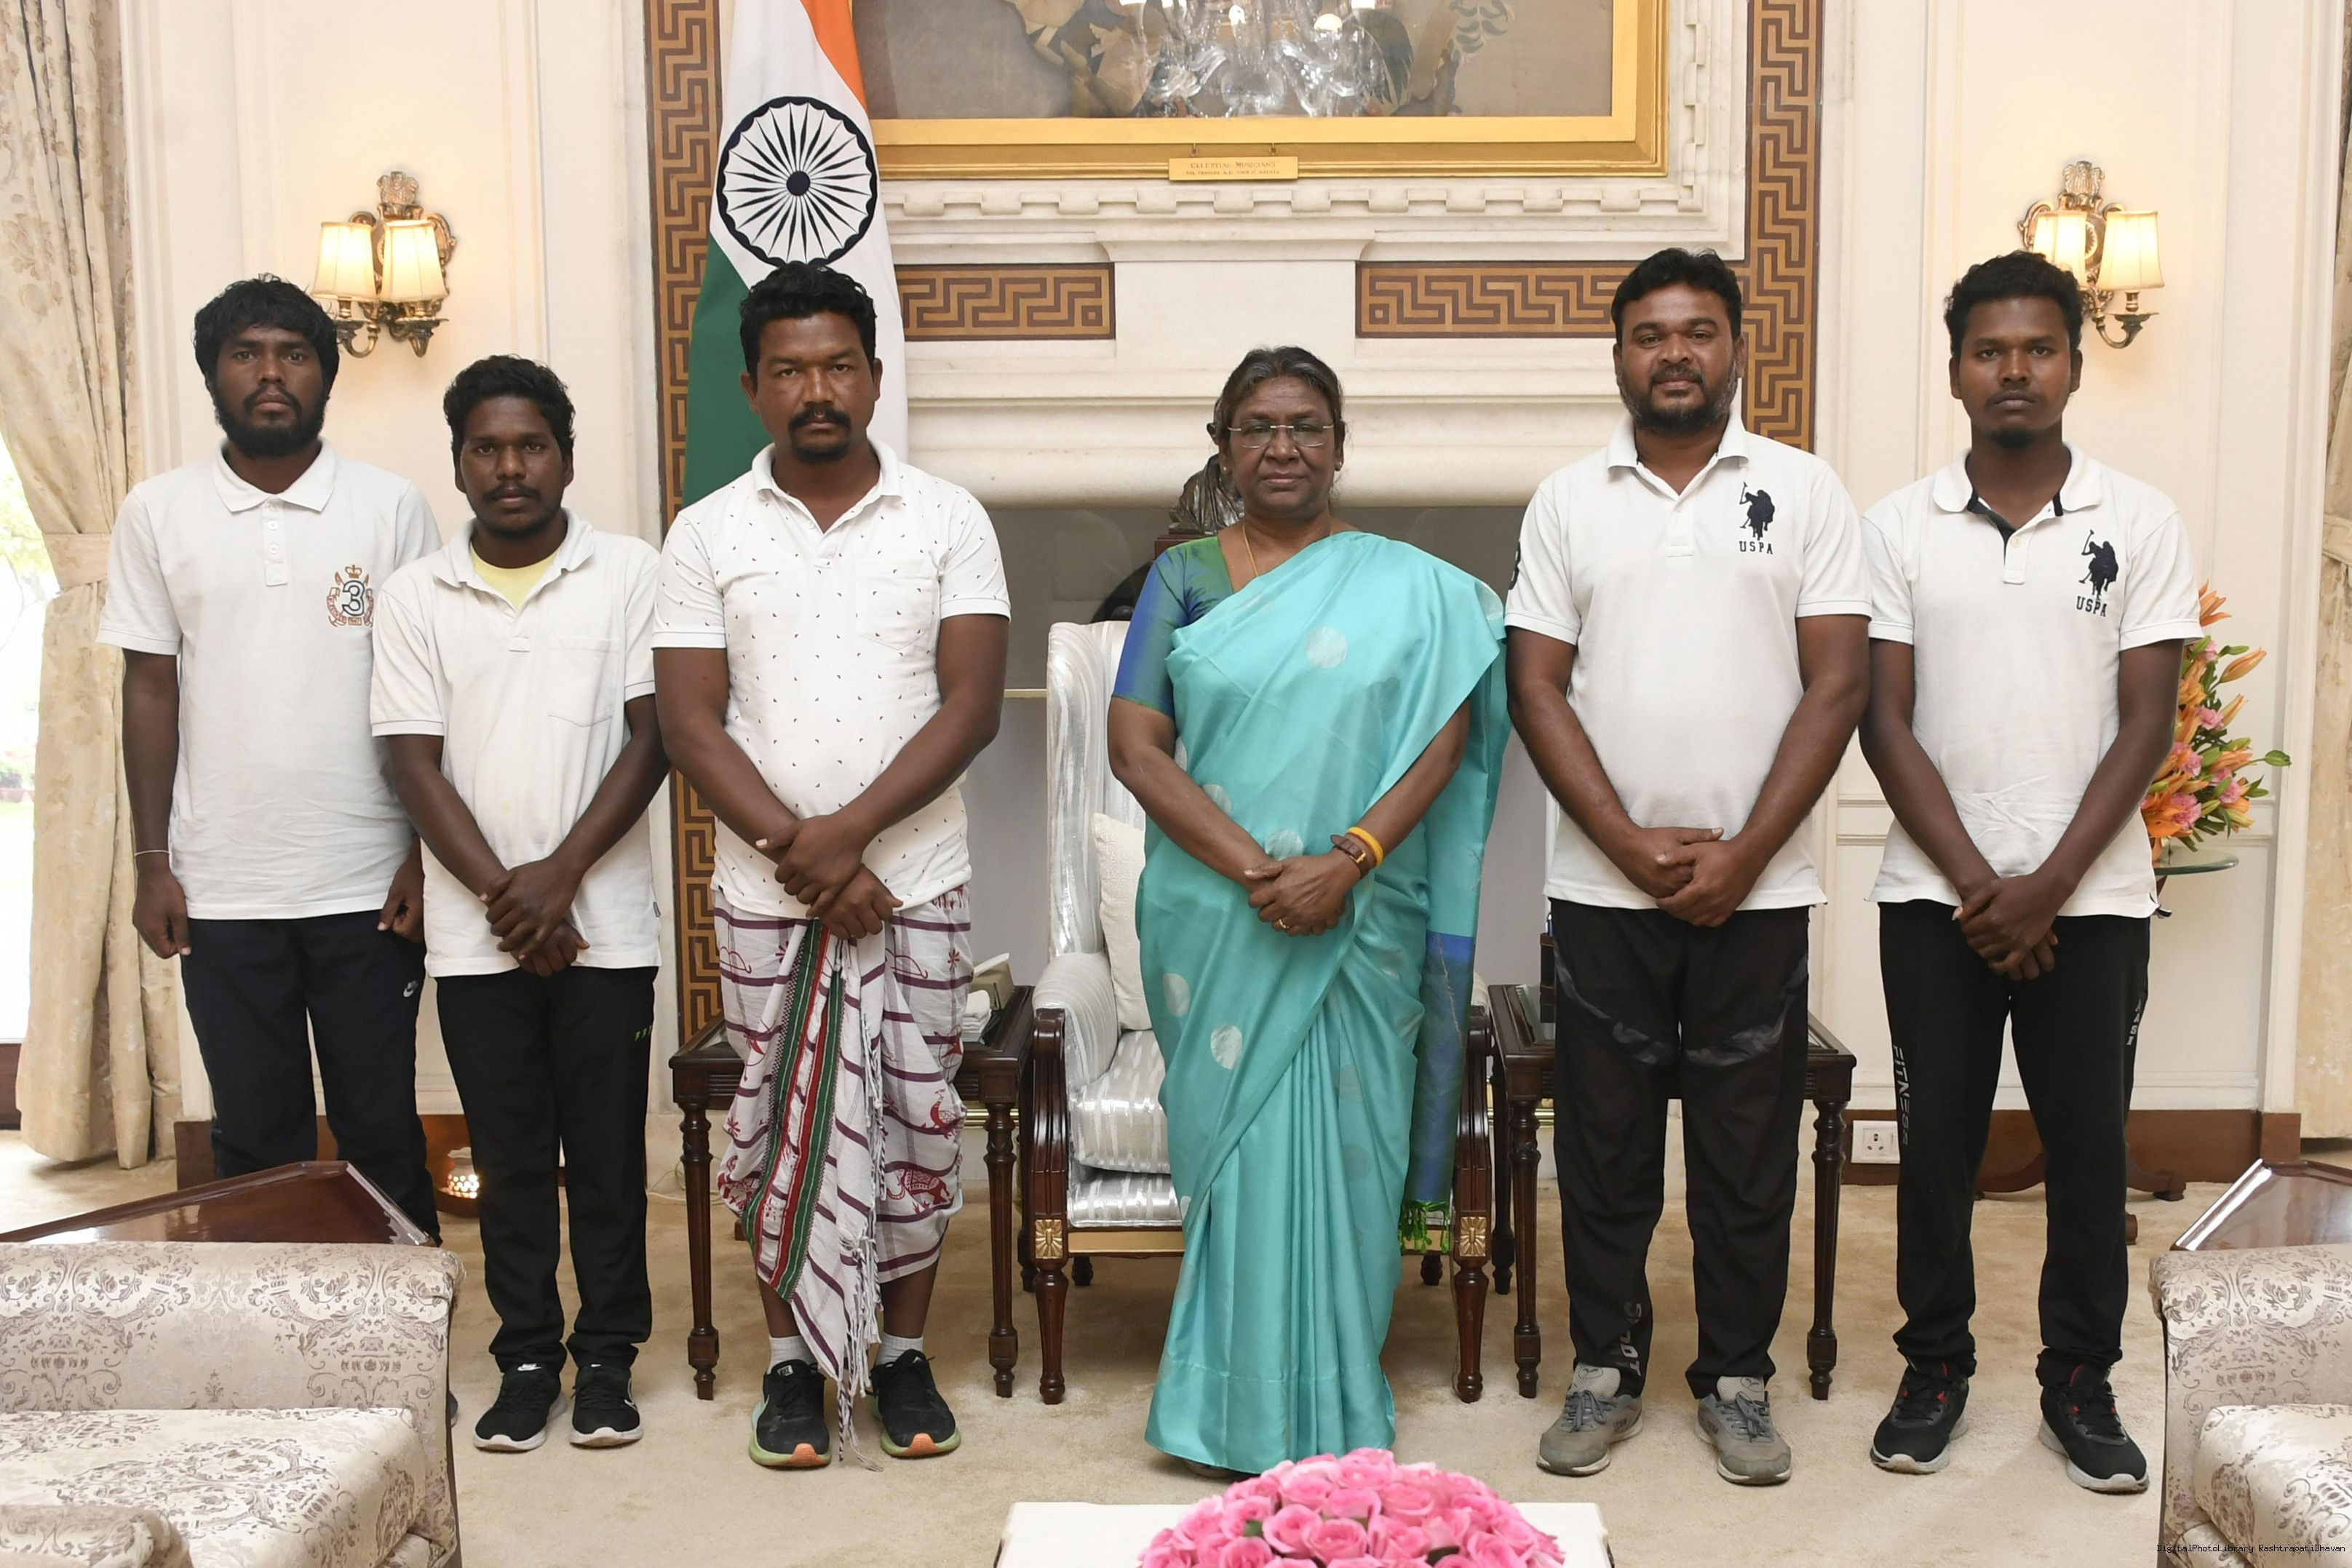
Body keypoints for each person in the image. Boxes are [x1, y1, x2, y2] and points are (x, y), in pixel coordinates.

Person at [1504, 248, 1870, 1487]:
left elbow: (1839, 682)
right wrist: (1624, 840)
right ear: (1619, 356)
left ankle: (1738, 1380)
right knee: (1603, 1146)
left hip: (1759, 893)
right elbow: (1535, 685)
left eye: (1698, 331)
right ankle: (1604, 1370)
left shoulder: (1805, 490)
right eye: (1651, 334)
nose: (1675, 353)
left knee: (1746, 1150)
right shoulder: (1568, 500)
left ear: (1735, 347)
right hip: (1602, 891)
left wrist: (1747, 852)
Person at [1109, 345, 1509, 1475]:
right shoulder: (1183, 577)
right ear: (1223, 448)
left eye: (1305, 427)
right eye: (1257, 427)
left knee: (1348, 1153)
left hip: (1361, 912)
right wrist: (1262, 872)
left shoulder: (1416, 592)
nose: (1281, 447)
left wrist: (1348, 860)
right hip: (1220, 915)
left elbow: (1444, 741)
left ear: (1339, 446)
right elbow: (1136, 747)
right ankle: (1222, 1410)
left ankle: (1335, 1394)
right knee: (1238, 1158)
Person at [653, 262, 1009, 1469]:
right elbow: (692, 724)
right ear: (752, 387)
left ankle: (901, 1357)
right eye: (791, 370)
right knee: (776, 1125)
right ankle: (793, 1366)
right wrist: (807, 859)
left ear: (874, 375)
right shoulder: (706, 532)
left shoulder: (947, 517)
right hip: (768, 896)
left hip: (919, 881)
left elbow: (972, 707)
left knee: (917, 1118)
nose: (818, 390)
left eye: (839, 366)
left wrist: (847, 835)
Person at [1857, 251, 2196, 1492]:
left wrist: (2046, 885)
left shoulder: (2140, 520)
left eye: (2038, 349)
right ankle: (1934, 1368)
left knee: (2089, 1152)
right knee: (1935, 1150)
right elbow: (1882, 719)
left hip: (2092, 902)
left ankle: (2080, 1383)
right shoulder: (1896, 527)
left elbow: (2147, 724)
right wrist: (1979, 885)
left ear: (2073, 365)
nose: (2015, 370)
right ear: (1955, 372)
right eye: (1990, 350)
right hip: (1931, 901)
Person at [371, 356, 667, 1454]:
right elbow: (412, 764)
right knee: (506, 1159)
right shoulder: (415, 596)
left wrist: (558, 879)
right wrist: (511, 901)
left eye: (530, 445)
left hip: (606, 929)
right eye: (487, 449)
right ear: (458, 465)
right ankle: (529, 1358)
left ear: (567, 460)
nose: (510, 467)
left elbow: (655, 741)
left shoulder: (629, 572)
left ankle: (609, 1359)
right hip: (476, 937)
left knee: (606, 1155)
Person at [103, 276, 439, 1235]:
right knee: (255, 1139)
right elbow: (150, 687)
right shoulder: (157, 512)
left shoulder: (389, 506)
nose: (270, 373)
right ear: (213, 374)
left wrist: (421, 853)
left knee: (381, 1128)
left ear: (325, 373)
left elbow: (427, 688)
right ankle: (269, 1329)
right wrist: (154, 863)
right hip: (222, 887)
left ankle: (403, 1325)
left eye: (293, 354)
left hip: (368, 883)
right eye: (245, 354)